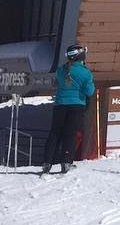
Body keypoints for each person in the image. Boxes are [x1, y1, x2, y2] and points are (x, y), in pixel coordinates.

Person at [40, 44, 95, 174]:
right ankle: (66, 162)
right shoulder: (85, 72)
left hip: (60, 105)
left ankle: (47, 162)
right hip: (76, 106)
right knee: (70, 134)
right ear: (81, 56)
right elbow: (90, 91)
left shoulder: (61, 70)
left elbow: (58, 83)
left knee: (54, 133)